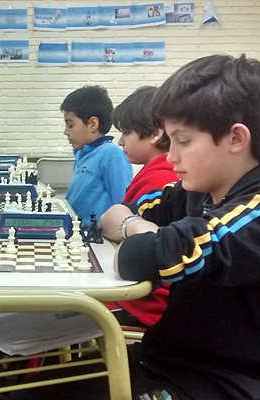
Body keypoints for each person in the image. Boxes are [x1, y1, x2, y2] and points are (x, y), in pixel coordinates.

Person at [12, 54, 260, 400]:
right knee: (29, 394)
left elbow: (137, 257)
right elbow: (116, 214)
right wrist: (140, 227)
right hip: (167, 362)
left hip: (231, 386)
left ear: (236, 138)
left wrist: (138, 232)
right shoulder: (197, 191)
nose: (171, 156)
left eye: (183, 141)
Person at [104, 86, 178, 329]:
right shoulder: (156, 177)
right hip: (137, 288)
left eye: (126, 132)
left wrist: (128, 228)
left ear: (156, 133)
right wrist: (132, 225)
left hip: (148, 303)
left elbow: (134, 255)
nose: (120, 141)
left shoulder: (161, 179)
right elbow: (109, 218)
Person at [61, 85, 132, 223]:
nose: (66, 132)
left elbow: (123, 206)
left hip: (96, 234)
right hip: (76, 230)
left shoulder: (111, 154)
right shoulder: (82, 153)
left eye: (70, 125)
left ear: (93, 124)